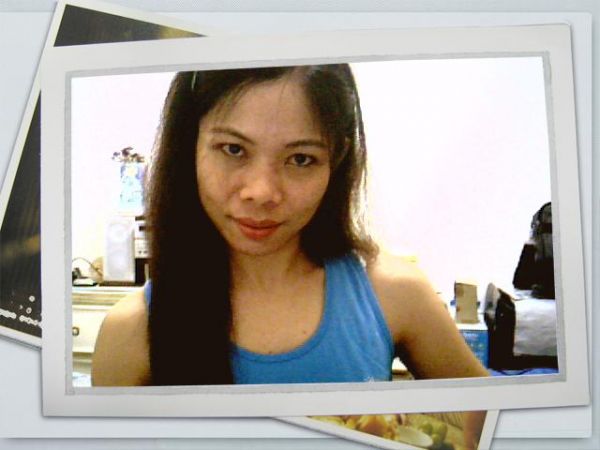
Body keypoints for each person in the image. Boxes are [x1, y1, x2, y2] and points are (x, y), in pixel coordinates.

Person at [92, 64, 488, 387]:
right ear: (189, 149)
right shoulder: (132, 332)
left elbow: (494, 428)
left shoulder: (395, 295)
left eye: (300, 159)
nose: (262, 192)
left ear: (336, 162)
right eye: (233, 149)